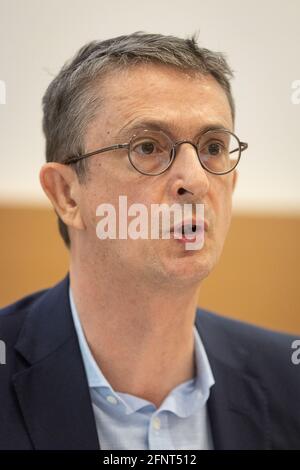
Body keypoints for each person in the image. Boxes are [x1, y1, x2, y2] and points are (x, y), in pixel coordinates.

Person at [0, 32, 299, 450]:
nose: (195, 181)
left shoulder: (290, 379)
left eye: (213, 147)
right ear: (67, 194)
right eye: (148, 147)